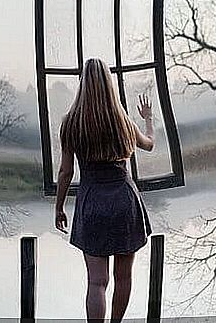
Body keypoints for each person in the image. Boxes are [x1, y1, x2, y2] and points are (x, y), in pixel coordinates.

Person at [54, 57, 155, 322]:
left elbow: (66, 172)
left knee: (97, 282)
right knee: (124, 276)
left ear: (82, 84)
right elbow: (149, 145)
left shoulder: (71, 122)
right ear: (110, 84)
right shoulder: (122, 120)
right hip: (125, 201)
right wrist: (148, 119)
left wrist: (59, 206)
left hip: (93, 203)